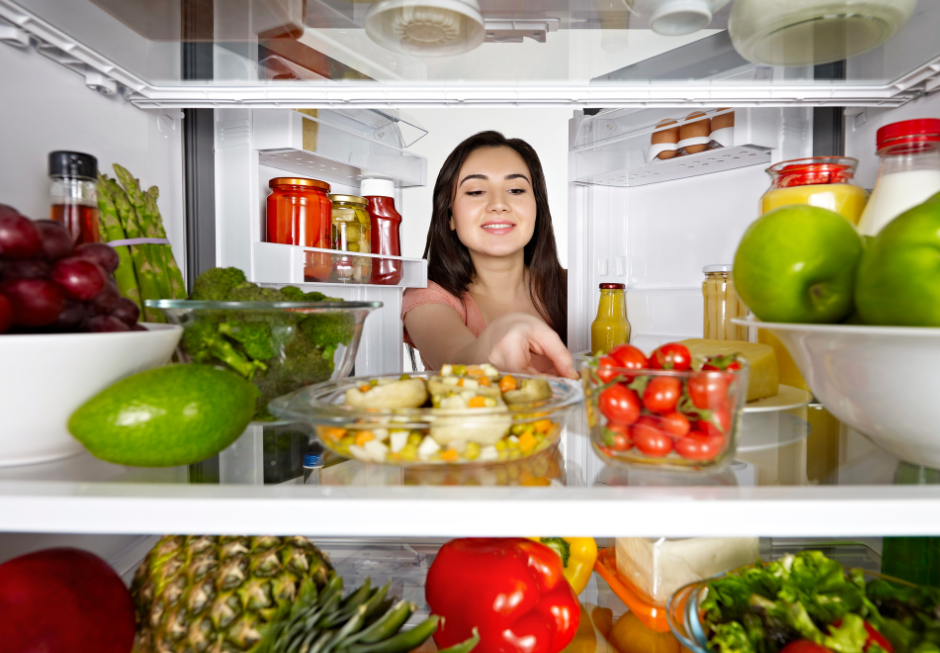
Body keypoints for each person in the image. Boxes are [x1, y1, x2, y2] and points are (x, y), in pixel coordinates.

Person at [403, 131, 576, 379]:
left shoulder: (578, 289)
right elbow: (456, 360)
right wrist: (498, 337)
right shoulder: (427, 298)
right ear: (450, 216)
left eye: (516, 190)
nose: (498, 204)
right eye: (476, 192)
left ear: (537, 208)